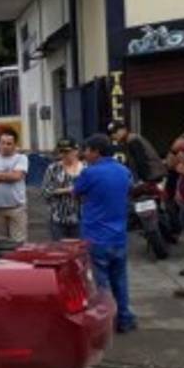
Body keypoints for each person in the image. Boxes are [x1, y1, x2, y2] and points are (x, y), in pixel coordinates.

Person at [74, 135, 136, 334]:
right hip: (119, 235)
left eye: (87, 150)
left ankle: (106, 322)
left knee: (100, 283)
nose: (84, 154)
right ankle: (124, 318)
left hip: (96, 235)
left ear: (96, 152)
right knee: (120, 279)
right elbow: (129, 191)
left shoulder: (89, 173)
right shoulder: (124, 171)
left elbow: (76, 193)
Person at [40, 139, 83, 240]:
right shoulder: (53, 168)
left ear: (76, 151)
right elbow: (45, 191)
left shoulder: (85, 168)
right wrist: (67, 190)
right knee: (59, 250)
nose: (64, 155)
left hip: (80, 218)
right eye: (61, 152)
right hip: (58, 218)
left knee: (80, 250)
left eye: (67, 152)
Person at [109, 120, 165, 185]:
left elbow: (141, 162)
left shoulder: (133, 140)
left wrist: (141, 181)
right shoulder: (129, 140)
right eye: (111, 133)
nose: (113, 135)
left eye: (115, 132)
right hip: (152, 177)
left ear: (124, 129)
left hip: (153, 178)